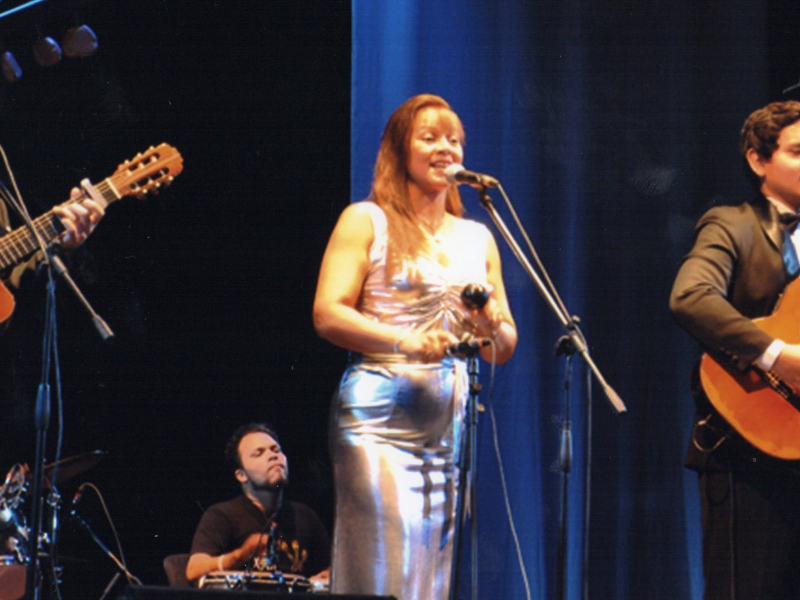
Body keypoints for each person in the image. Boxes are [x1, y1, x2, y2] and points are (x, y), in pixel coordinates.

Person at [313, 94, 517, 599]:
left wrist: (490, 322)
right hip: (381, 417)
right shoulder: (366, 219)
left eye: (455, 139)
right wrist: (405, 339)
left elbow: (504, 345)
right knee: (384, 569)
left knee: (431, 576)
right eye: (430, 138)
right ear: (399, 151)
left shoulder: (477, 236)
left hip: (449, 426)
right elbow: (328, 313)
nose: (446, 148)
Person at [670, 100, 800, 599]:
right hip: (747, 451)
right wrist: (777, 355)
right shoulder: (731, 224)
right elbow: (691, 297)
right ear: (757, 160)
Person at [185, 423, 330, 586]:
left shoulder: (305, 516)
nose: (273, 456)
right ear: (241, 475)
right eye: (259, 453)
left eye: (276, 450)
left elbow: (331, 567)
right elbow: (194, 570)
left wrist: (327, 576)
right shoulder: (222, 515)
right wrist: (240, 555)